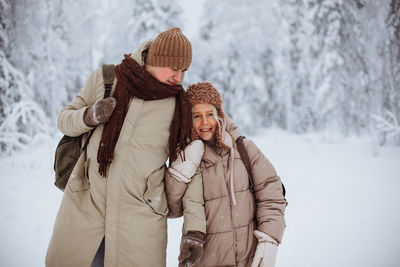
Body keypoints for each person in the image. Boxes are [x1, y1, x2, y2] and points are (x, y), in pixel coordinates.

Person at [46, 27, 194, 267]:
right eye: (174, 68)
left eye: (184, 71)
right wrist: (89, 116)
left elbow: (191, 164)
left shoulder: (179, 105)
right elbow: (64, 120)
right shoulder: (106, 79)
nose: (179, 78)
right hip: (86, 211)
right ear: (156, 60)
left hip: (140, 225)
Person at [165, 82, 287, 267]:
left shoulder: (244, 149)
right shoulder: (186, 155)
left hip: (249, 259)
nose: (205, 122)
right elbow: (173, 208)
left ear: (219, 115)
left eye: (209, 114)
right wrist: (180, 171)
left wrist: (269, 237)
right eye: (196, 116)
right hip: (206, 260)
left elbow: (272, 193)